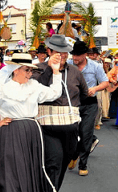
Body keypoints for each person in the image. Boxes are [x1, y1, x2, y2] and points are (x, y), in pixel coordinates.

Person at [0, 51, 62, 192]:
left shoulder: (34, 86)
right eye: (27, 70)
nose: (30, 74)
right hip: (11, 133)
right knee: (12, 171)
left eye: (31, 70)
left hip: (32, 133)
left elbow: (55, 93)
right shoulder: (2, 89)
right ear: (15, 70)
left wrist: (56, 72)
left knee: (30, 169)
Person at [32, 34, 89, 191]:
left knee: (63, 163)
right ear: (49, 51)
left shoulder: (75, 72)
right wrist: (50, 69)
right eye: (58, 51)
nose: (62, 55)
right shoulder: (38, 69)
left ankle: (53, 188)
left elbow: (83, 94)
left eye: (65, 52)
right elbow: (35, 92)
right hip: (47, 126)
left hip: (70, 126)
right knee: (53, 162)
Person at [67, 41, 109, 176]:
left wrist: (95, 88)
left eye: (78, 55)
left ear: (85, 55)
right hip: (72, 103)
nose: (75, 58)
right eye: (73, 55)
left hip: (89, 104)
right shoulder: (68, 64)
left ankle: (83, 164)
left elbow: (105, 82)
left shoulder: (95, 66)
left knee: (85, 134)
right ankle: (74, 154)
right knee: (72, 132)